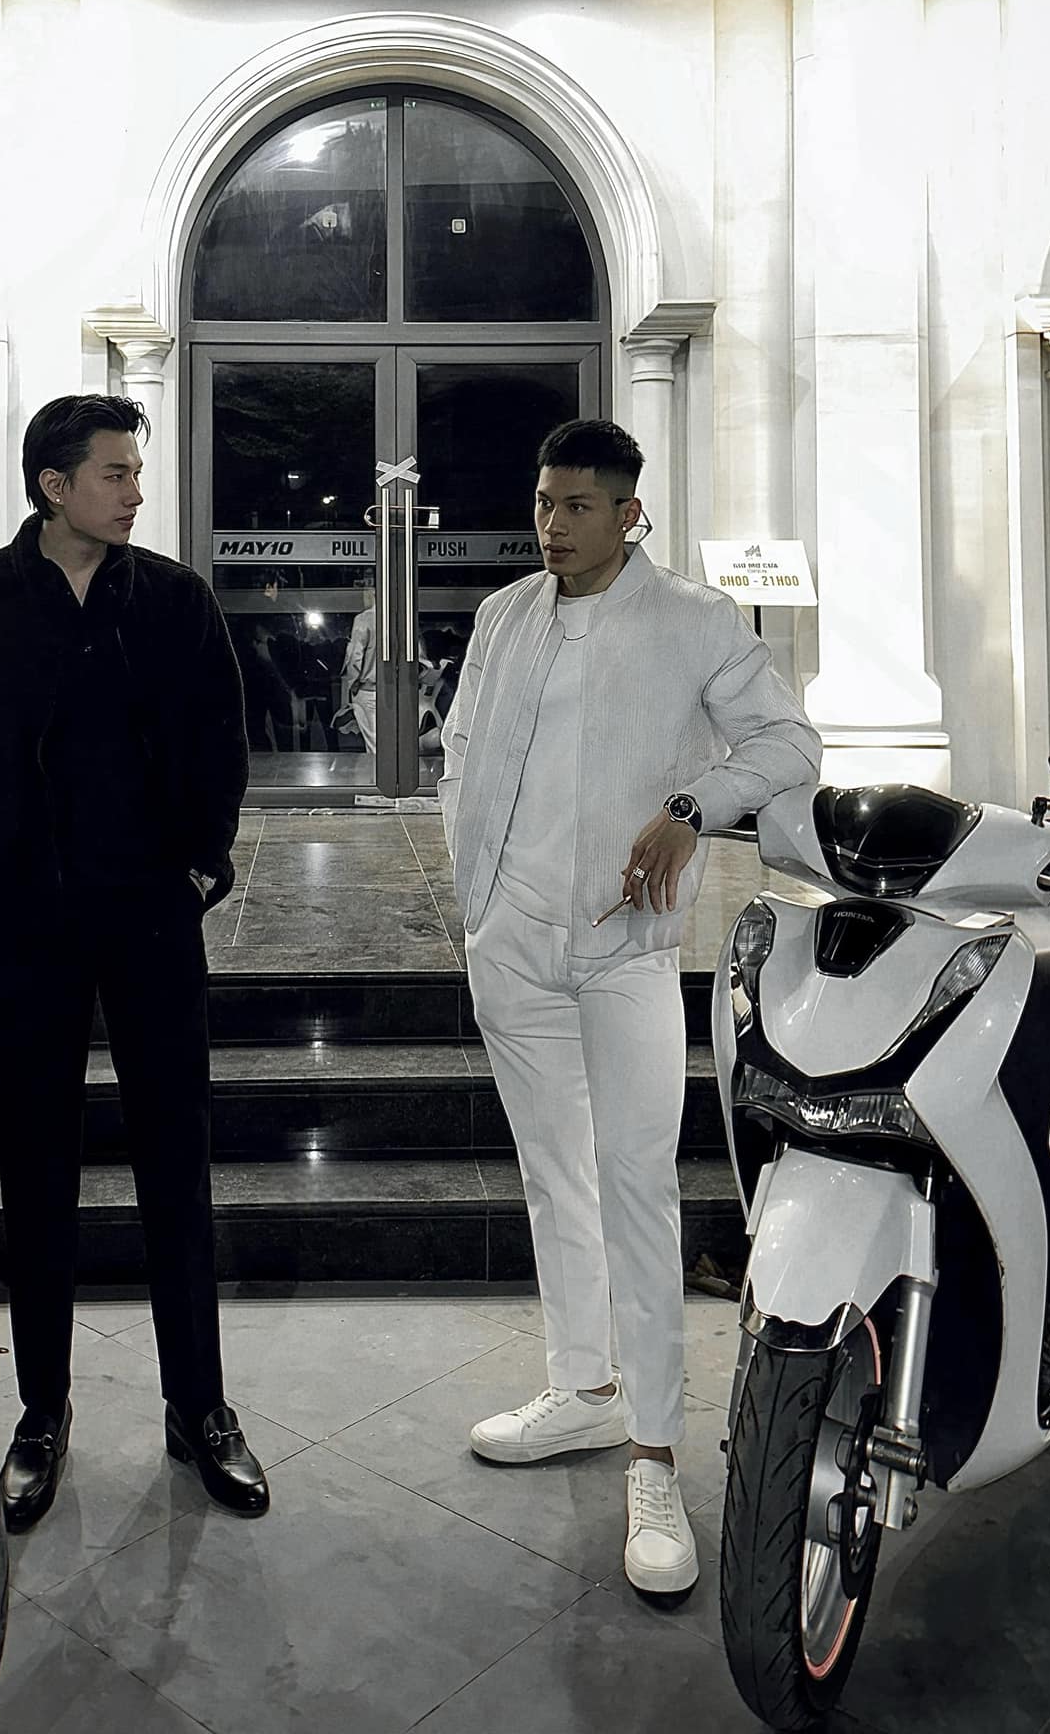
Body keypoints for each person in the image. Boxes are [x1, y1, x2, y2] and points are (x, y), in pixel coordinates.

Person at [439, 417, 820, 1595]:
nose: (550, 525)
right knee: (551, 1173)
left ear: (626, 513)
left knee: (637, 1186)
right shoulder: (504, 614)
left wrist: (692, 807)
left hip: (622, 948)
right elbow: (462, 747)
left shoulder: (694, 620)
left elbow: (787, 743)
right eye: (541, 502)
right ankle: (584, 1388)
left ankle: (653, 1455)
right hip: (512, 942)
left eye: (574, 505)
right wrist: (477, 898)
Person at [0, 392, 269, 1531]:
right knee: (35, 1170)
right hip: (30, 926)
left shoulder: (176, 602)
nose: (136, 492)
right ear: (53, 486)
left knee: (177, 1169)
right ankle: (41, 1413)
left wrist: (199, 869)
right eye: (115, 473)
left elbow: (220, 745)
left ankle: (199, 1407)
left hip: (153, 922)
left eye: (134, 473)